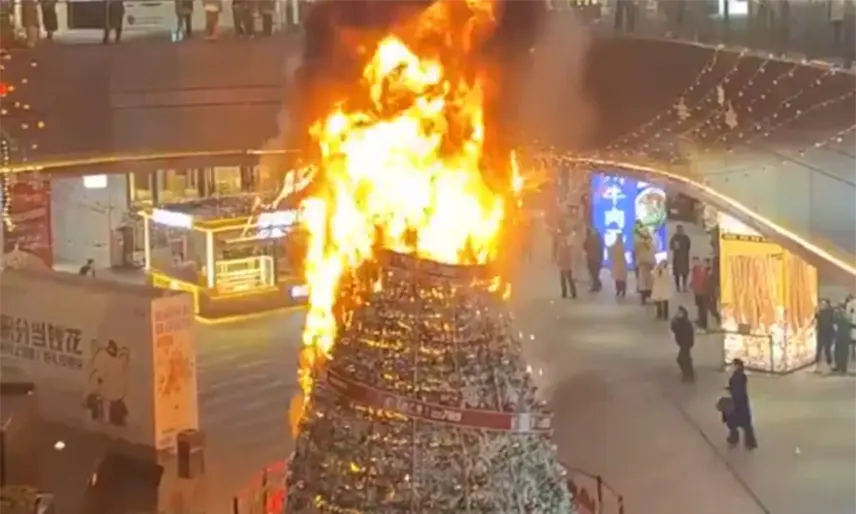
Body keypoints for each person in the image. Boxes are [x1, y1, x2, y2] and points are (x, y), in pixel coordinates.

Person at [723, 359, 757, 449]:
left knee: (733, 421)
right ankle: (749, 442)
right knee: (745, 424)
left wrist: (732, 392)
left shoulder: (737, 377)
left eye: (733, 365)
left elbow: (738, 391)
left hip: (738, 403)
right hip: (741, 403)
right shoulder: (740, 376)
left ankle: (735, 438)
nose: (731, 367)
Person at [670, 306, 695, 381]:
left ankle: (688, 372)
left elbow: (689, 335)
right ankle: (688, 372)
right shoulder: (678, 322)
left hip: (686, 343)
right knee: (686, 357)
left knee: (682, 358)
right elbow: (673, 328)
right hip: (682, 343)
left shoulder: (686, 324)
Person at [669, 224, 691, 291]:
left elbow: (688, 246)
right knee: (676, 273)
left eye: (681, 229)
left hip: (684, 257)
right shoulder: (674, 237)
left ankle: (684, 286)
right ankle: (678, 287)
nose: (680, 231)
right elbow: (671, 246)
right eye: (678, 229)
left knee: (685, 273)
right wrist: (674, 248)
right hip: (677, 257)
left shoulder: (686, 237)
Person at [816, 299, 835, 370]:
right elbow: (816, 320)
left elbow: (833, 321)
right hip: (821, 332)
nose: (821, 306)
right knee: (819, 349)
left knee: (827, 350)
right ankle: (817, 366)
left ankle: (829, 364)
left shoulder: (830, 312)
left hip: (827, 333)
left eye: (823, 305)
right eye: (821, 305)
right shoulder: (819, 313)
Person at [690, 256, 709, 329]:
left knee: (703, 308)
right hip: (697, 291)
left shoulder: (703, 271)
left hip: (703, 292)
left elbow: (704, 281)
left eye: (695, 262)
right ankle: (700, 320)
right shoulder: (695, 269)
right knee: (699, 307)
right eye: (693, 262)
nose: (694, 263)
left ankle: (703, 324)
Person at [635, 238, 655, 304]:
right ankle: (644, 299)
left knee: (648, 284)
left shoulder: (649, 248)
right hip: (643, 268)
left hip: (648, 269)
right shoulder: (641, 247)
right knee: (644, 284)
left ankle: (647, 298)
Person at [583, 227, 603, 293]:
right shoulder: (600, 239)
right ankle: (597, 284)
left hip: (591, 258)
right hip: (598, 259)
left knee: (592, 273)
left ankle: (595, 286)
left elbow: (584, 246)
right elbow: (601, 249)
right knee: (596, 273)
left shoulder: (590, 239)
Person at [833, 306, 851, 373]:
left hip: (841, 338)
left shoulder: (840, 320)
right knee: (843, 353)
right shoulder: (845, 320)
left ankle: (840, 367)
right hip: (844, 338)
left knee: (839, 353)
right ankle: (843, 367)